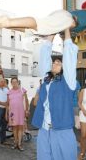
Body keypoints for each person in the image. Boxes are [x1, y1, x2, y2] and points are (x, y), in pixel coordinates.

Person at [30, 27, 78, 160]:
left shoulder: (68, 81)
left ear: (64, 68)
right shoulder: (46, 80)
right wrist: (51, 33)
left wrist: (67, 29)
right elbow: (45, 56)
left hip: (62, 130)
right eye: (54, 61)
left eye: (59, 62)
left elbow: (69, 56)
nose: (55, 63)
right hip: (44, 130)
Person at [0, 0, 86, 37]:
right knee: (39, 24)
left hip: (61, 17)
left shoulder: (83, 17)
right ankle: (8, 21)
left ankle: (6, 25)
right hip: (66, 19)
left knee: (35, 30)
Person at [7, 77, 29, 151]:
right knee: (14, 128)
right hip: (12, 113)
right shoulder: (9, 92)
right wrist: (6, 113)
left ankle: (19, 144)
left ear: (18, 82)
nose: (14, 83)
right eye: (12, 82)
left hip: (21, 112)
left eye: (15, 82)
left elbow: (26, 101)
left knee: (20, 128)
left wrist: (27, 111)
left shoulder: (23, 90)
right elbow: (7, 103)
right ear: (11, 83)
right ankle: (15, 143)